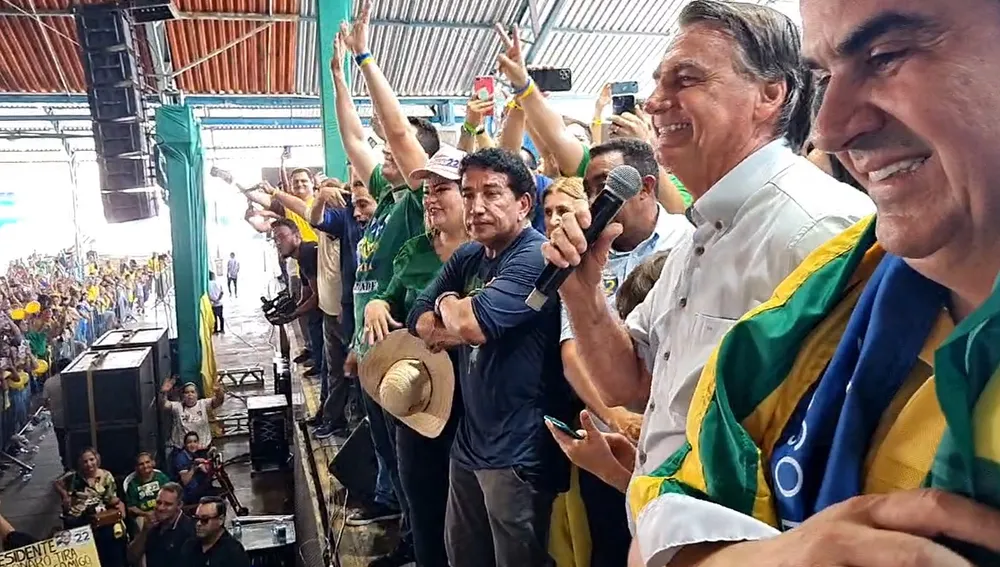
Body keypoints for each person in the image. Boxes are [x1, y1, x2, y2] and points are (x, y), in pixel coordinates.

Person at [624, 0, 1000, 563]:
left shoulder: (819, 229)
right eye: (824, 76)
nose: (828, 128)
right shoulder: (828, 293)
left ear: (769, 96)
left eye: (886, 56)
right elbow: (675, 499)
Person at [540, 0, 874, 543]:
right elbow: (630, 384)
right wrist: (582, 295)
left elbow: (843, 457)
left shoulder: (822, 229)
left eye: (686, 78)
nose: (654, 101)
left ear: (771, 93)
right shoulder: (702, 234)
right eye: (658, 82)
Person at [409, 148, 575, 567]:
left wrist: (449, 302)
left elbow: (471, 326)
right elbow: (416, 317)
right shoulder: (470, 256)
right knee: (462, 554)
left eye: (492, 193)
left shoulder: (535, 258)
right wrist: (455, 313)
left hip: (518, 450)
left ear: (523, 203)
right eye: (467, 195)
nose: (476, 207)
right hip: (471, 442)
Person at [362, 145, 468, 567]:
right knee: (421, 497)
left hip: (469, 400)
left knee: (464, 514)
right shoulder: (416, 249)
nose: (430, 198)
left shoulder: (489, 255)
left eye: (442, 188)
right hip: (418, 391)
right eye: (427, 190)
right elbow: (390, 293)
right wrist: (377, 304)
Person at [127, 483, 196, 567]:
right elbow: (131, 558)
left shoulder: (189, 529)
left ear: (179, 505)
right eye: (158, 502)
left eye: (167, 504)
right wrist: (144, 532)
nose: (160, 508)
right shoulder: (151, 525)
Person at [161, 377, 224, 464]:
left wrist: (218, 392)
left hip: (202, 449)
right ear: (182, 395)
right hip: (182, 450)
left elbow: (218, 401)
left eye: (192, 392)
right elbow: (164, 405)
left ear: (197, 394)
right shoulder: (177, 407)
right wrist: (164, 392)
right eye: (187, 392)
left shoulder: (203, 404)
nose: (190, 394)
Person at [179, 496, 250, 567]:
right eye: (196, 518)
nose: (198, 523)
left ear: (220, 520)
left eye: (205, 520)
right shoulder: (189, 545)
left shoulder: (233, 553)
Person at [123, 452, 171, 530]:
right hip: (143, 515)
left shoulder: (162, 478)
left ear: (153, 463)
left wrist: (160, 512)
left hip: (162, 511)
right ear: (137, 467)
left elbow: (171, 497)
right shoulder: (133, 484)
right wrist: (146, 514)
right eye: (141, 464)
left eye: (147, 462)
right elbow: (131, 507)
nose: (145, 466)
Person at [41, 357, 71, 470]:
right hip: (73, 418)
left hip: (57, 419)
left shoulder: (49, 382)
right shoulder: (71, 379)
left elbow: (44, 402)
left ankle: (65, 464)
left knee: (61, 441)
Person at [172, 432, 213, 506]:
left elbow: (206, 470)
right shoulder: (181, 458)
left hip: (197, 488)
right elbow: (185, 481)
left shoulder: (194, 455)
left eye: (195, 441)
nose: (193, 445)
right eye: (189, 442)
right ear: (185, 444)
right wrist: (195, 467)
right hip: (189, 493)